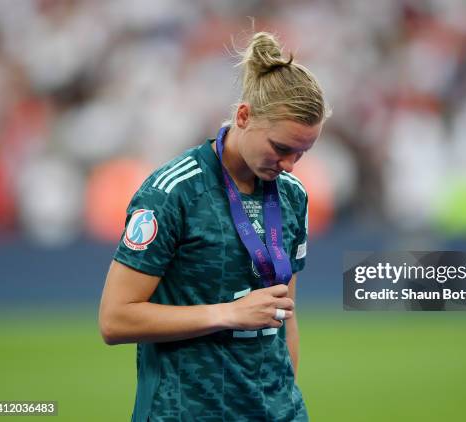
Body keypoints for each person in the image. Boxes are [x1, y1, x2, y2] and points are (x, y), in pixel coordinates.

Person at [99, 31, 330, 421]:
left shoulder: (292, 195)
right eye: (281, 147)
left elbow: (285, 315)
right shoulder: (173, 193)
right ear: (243, 117)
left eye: (302, 153)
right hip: (186, 412)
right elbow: (115, 319)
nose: (290, 165)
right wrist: (227, 313)